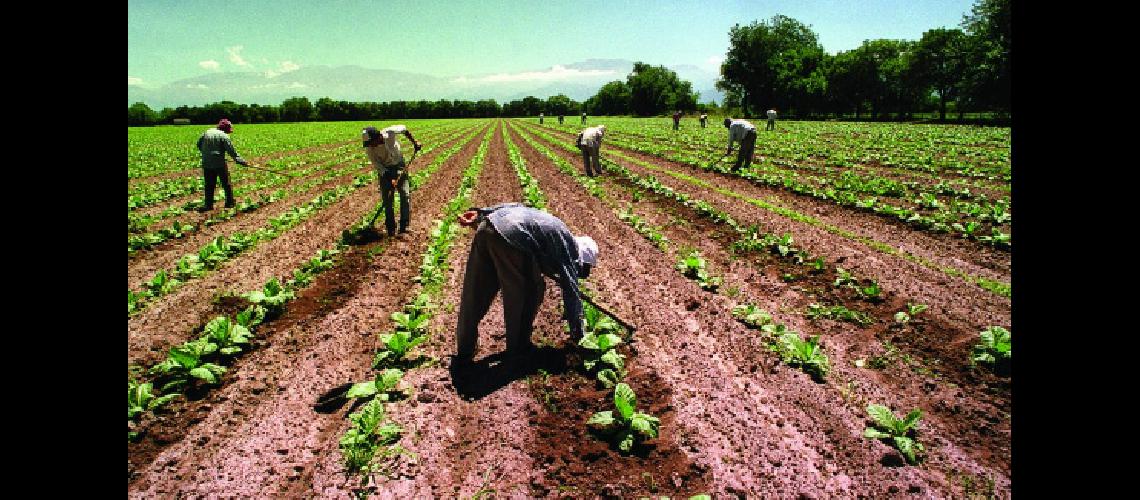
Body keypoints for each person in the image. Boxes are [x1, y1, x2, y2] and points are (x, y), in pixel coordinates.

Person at [453, 203, 599, 366]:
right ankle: (519, 349)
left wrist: (481, 214)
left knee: (475, 293)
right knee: (529, 292)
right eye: (584, 268)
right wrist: (579, 336)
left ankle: (464, 350)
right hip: (511, 237)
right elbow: (571, 292)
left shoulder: (554, 228)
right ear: (582, 258)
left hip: (487, 227)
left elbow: (517, 206)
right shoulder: (568, 247)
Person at [362, 124, 422, 236]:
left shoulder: (389, 132)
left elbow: (404, 129)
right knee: (387, 200)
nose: (370, 145)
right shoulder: (370, 149)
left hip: (399, 165)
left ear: (378, 136)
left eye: (371, 142)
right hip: (385, 171)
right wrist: (390, 178)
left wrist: (415, 142)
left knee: (405, 194)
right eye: (368, 144)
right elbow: (378, 165)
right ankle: (390, 228)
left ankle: (404, 227)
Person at [196, 118, 250, 212]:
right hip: (219, 163)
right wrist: (242, 161)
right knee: (226, 183)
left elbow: (199, 145)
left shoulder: (206, 132)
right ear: (226, 129)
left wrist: (207, 153)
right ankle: (229, 203)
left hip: (206, 162)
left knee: (209, 184)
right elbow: (232, 152)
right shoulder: (224, 136)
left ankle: (208, 205)